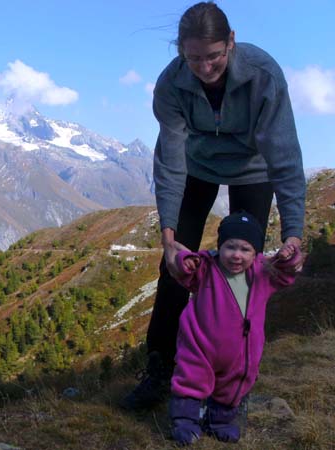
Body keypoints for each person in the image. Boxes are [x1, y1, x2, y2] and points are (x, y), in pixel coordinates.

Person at [120, 1, 305, 410]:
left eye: (214, 56)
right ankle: (160, 370)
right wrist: (169, 238)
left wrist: (294, 234)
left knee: (244, 272)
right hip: (195, 166)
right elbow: (169, 161)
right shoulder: (170, 86)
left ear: (231, 42)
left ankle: (232, 378)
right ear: (181, 52)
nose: (205, 67)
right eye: (194, 58)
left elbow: (286, 158)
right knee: (175, 269)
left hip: (254, 168)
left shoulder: (264, 75)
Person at [168, 211, 301, 445]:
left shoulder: (263, 272)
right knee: (191, 379)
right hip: (200, 345)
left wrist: (289, 256)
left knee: (233, 387)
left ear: (256, 252)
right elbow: (185, 270)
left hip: (242, 351)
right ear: (220, 247)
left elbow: (286, 272)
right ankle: (184, 421)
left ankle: (219, 422)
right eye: (230, 247)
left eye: (245, 249)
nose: (236, 255)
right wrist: (184, 261)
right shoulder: (207, 267)